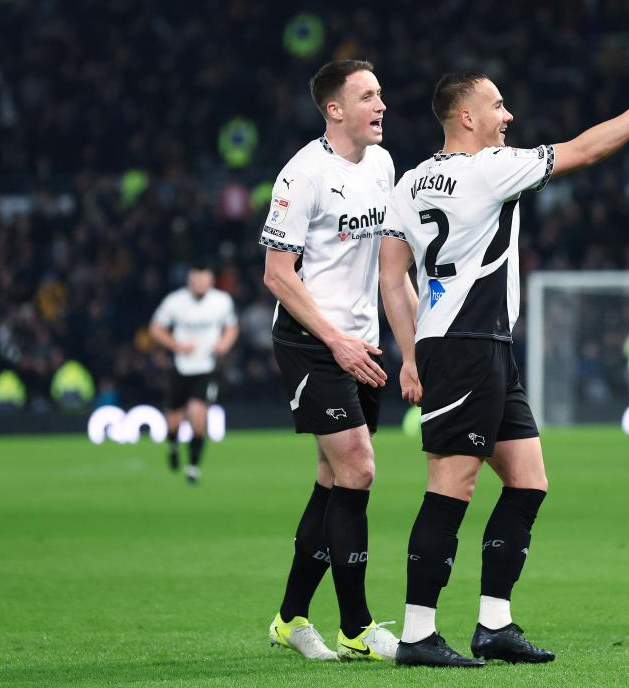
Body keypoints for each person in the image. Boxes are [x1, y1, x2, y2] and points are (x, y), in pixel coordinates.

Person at [380, 68, 629, 667]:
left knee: (529, 480)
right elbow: (586, 149)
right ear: (466, 117)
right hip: (465, 343)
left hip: (476, 344)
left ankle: (493, 624)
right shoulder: (489, 169)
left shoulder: (410, 182)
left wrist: (410, 350)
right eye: (497, 106)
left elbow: (391, 272)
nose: (508, 117)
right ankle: (417, 634)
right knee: (452, 485)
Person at [260, 59, 404, 663]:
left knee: (333, 481)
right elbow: (277, 274)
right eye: (368, 96)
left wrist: (409, 349)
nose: (381, 105)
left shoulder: (383, 163)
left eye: (381, 94)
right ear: (335, 109)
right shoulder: (302, 176)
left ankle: (292, 619)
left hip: (361, 344)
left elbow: (389, 269)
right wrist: (335, 340)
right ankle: (357, 627)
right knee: (360, 470)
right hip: (309, 342)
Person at [150, 264, 238, 484]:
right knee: (173, 422)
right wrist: (177, 346)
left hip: (206, 368)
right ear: (190, 280)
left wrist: (224, 345)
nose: (200, 283)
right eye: (196, 279)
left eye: (204, 279)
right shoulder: (175, 301)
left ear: (211, 280)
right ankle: (172, 445)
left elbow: (232, 327)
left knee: (198, 417)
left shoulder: (222, 301)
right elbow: (155, 328)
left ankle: (193, 468)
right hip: (180, 367)